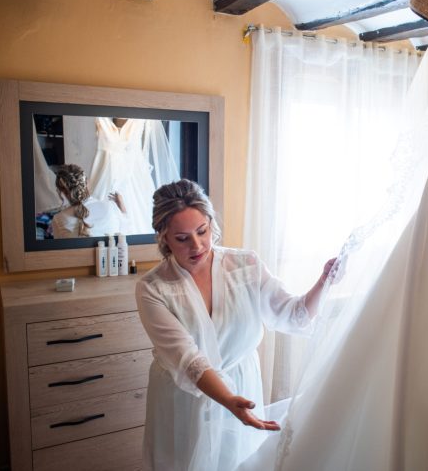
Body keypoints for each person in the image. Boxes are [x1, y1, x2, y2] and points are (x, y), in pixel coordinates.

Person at [136, 179, 337, 471]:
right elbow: (188, 360)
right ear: (164, 237)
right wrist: (228, 399)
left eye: (202, 231)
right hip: (184, 399)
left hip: (241, 386)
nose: (197, 245)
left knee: (237, 462)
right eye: (182, 238)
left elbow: (295, 315)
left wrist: (323, 282)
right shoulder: (152, 289)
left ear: (211, 223)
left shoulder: (246, 266)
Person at [51, 163, 128, 238]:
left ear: (62, 192)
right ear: (86, 182)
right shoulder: (111, 207)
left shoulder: (59, 219)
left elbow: (60, 250)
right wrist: (122, 209)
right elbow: (127, 236)